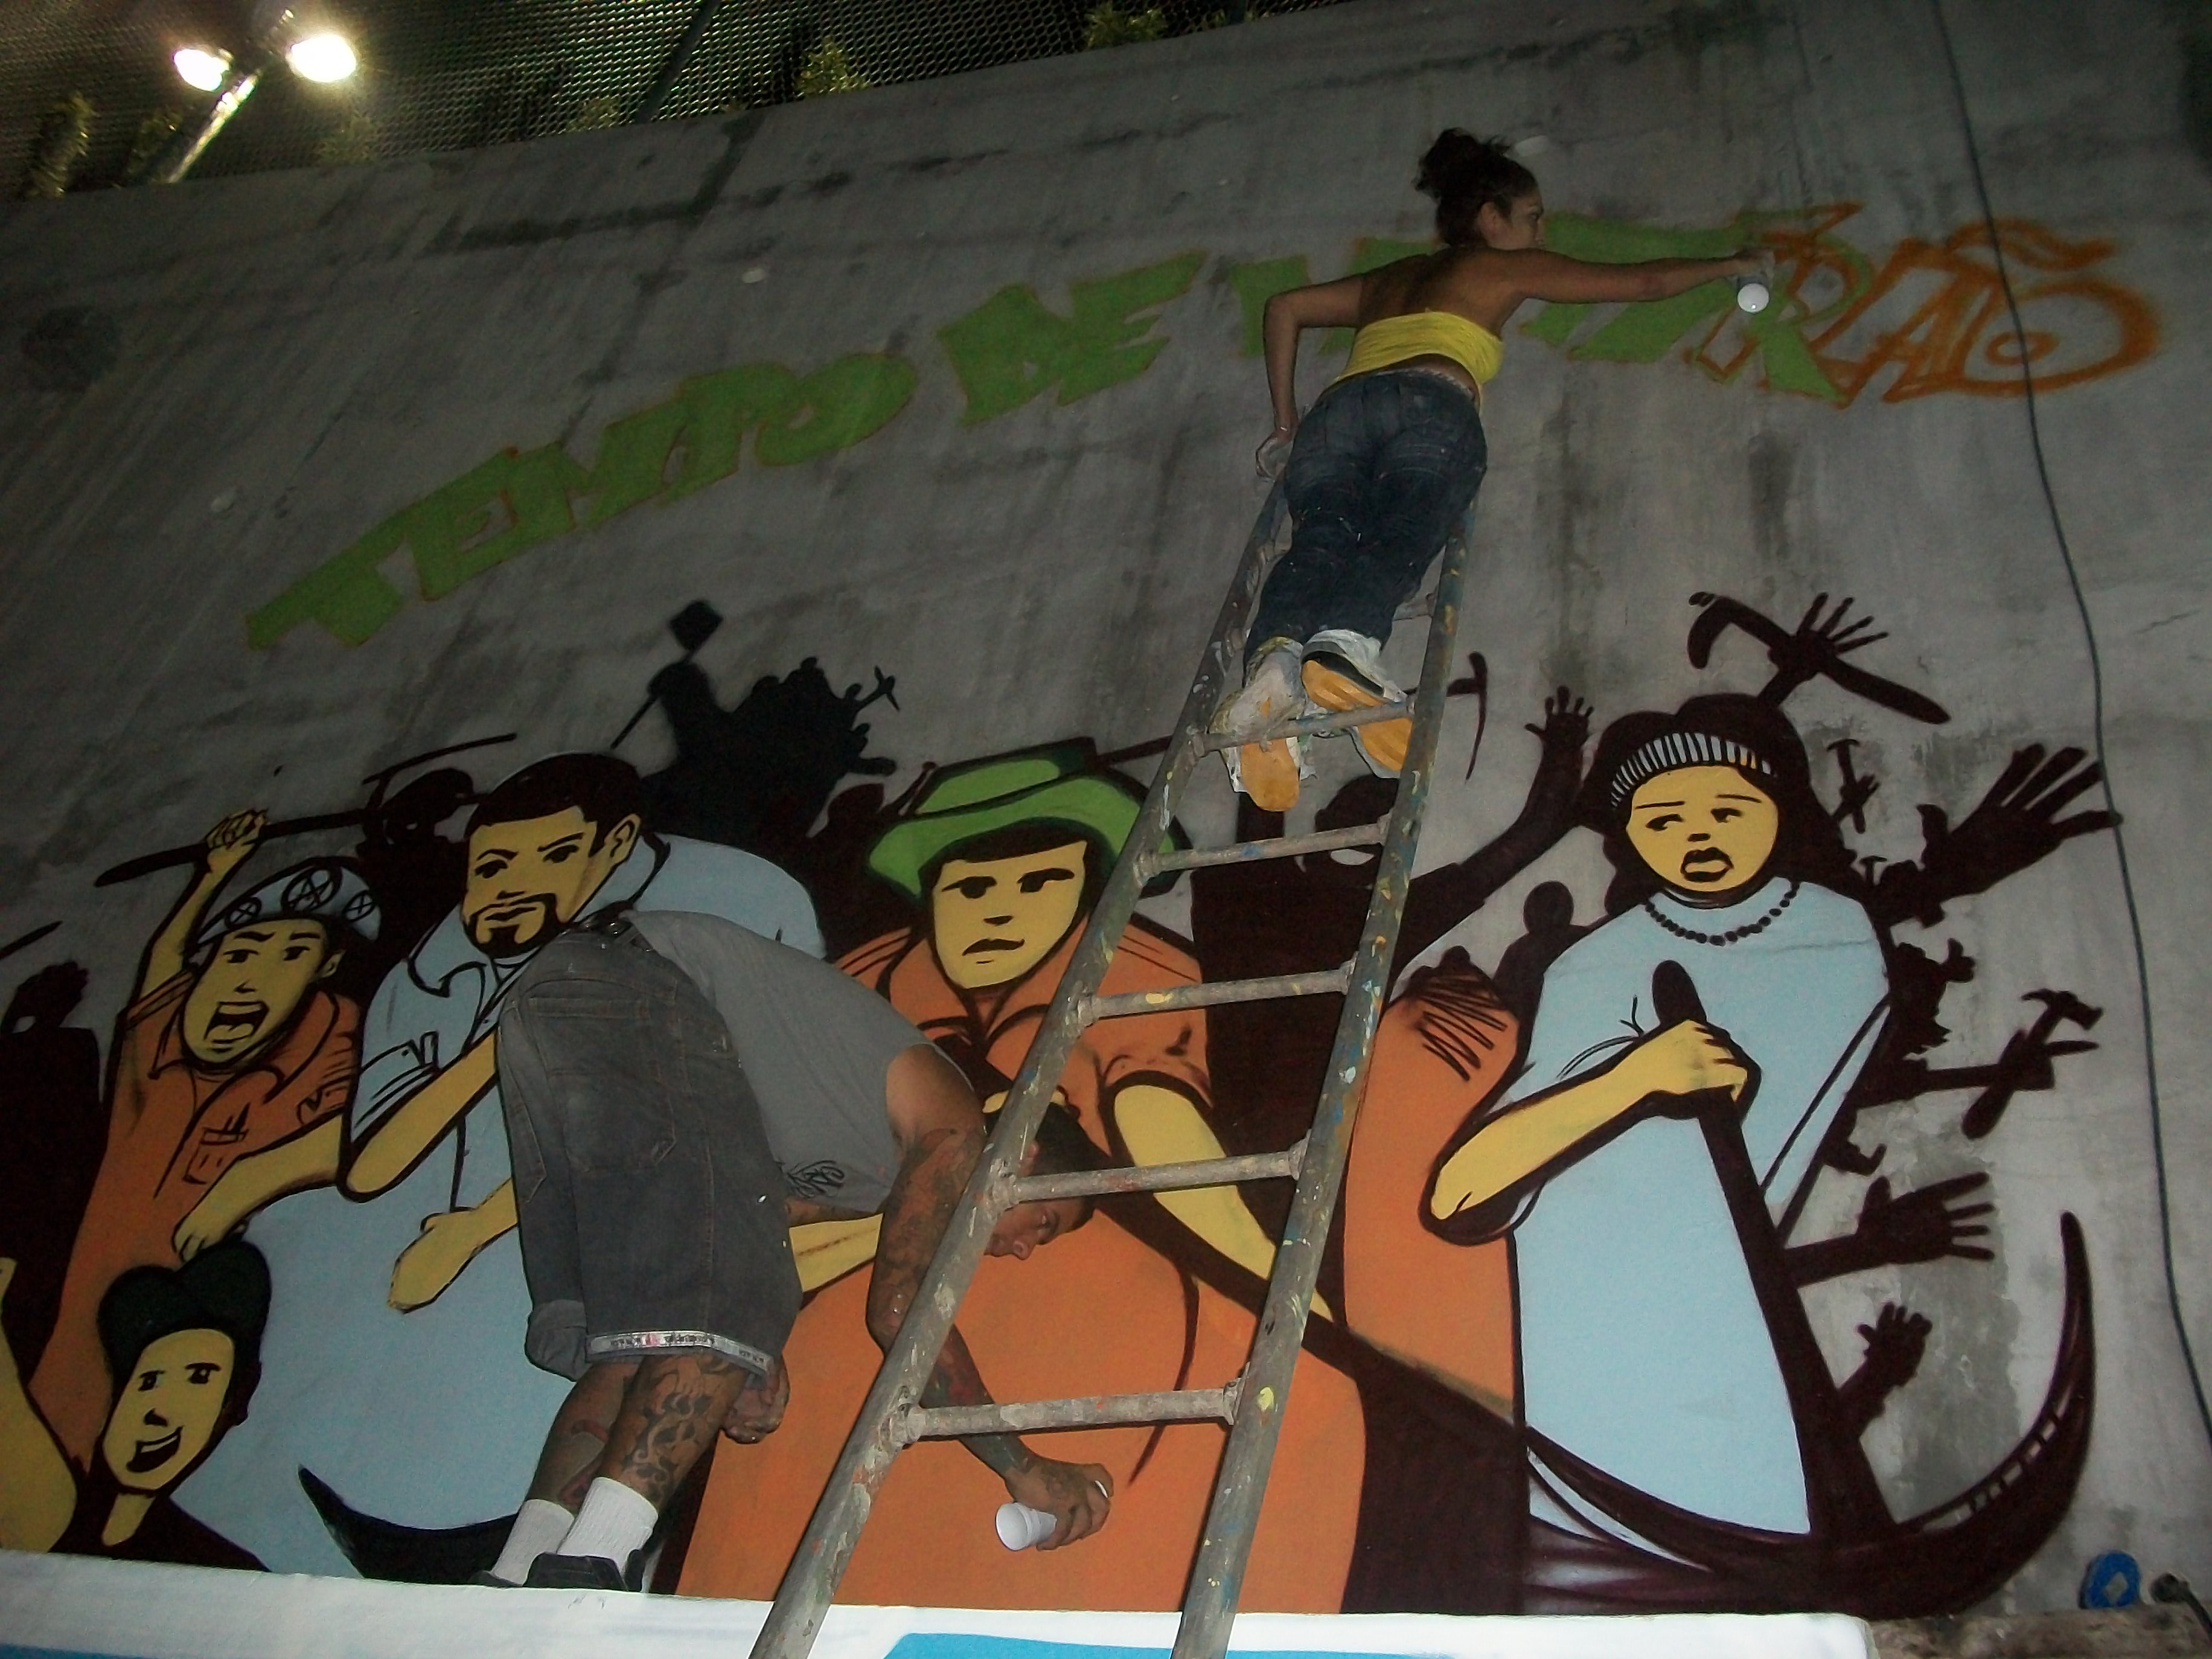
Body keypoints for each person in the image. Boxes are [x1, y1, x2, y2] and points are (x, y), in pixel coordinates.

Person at [679, 745, 1366, 1612]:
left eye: (1042, 883)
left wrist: (1292, 1295)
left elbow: (1168, 1133)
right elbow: (861, 1259)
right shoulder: (879, 1002)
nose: (1001, 911)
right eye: (972, 889)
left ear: (1083, 894)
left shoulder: (1131, 977)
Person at [177, 753, 820, 1579]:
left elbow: (720, 1126)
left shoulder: (735, 901)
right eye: (491, 867)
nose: (512, 887)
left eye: (553, 857)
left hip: (592, 1365)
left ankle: (564, 1553)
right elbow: (373, 1162)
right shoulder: (434, 968)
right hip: (395, 1419)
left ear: (617, 845)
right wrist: (527, 1014)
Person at [1422, 695, 1901, 1609]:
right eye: (1664, 818)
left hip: (1721, 1347)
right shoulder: (1598, 964)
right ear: (1630, 837)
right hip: (1584, 1340)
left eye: (1727, 808)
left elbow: (1754, 1158)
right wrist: (1630, 1080)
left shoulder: (1839, 941)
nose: (1697, 836)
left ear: (1780, 808)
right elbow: (1461, 1192)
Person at [482, 907, 1108, 1590]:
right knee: (733, 1305)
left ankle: (516, 1578)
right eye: (1044, 1223)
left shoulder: (871, 1183)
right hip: (639, 988)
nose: (1025, 1250)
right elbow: (900, 1310)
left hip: (555, 1011)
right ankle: (589, 1565)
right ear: (1027, 1154)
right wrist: (1021, 1465)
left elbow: (716, 1234)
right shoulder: (954, 1126)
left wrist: (745, 1355)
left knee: (645, 1335)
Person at [1215, 130, 1763, 810]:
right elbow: (1644, 282)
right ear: (1490, 218)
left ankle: (1274, 666)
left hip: (1338, 415)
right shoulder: (1502, 269)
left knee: (1321, 540)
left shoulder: (1391, 278)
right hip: (1431, 403)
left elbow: (1285, 307)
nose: (1540, 232)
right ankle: (1345, 646)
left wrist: (1285, 422)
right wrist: (1730, 264)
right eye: (1531, 216)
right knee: (1404, 526)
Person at [31, 812, 372, 1468]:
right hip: (94, 1291)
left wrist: (249, 1180)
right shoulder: (164, 1036)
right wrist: (210, 879)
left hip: (198, 1321)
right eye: (239, 954)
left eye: (291, 954)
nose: (251, 977)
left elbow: (366, 1125)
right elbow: (163, 969)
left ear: (328, 965)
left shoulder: (330, 1035)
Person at [1, 1244, 270, 1568]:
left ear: (235, 1401)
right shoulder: (43, 1507)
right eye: (149, 1381)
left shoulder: (221, 1570)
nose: (159, 1413)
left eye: (199, 1377)